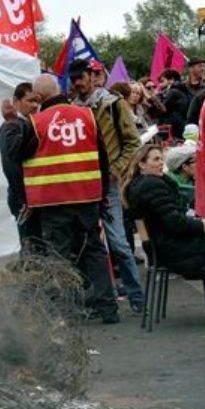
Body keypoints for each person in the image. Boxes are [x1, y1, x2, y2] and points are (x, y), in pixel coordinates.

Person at [18, 73, 120, 323]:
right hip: (87, 196)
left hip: (53, 201)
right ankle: (108, 309)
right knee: (95, 251)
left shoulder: (36, 122)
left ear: (39, 96)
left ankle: (68, 312)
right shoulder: (87, 116)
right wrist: (103, 194)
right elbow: (103, 157)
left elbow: (20, 155)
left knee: (59, 257)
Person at [69, 59, 145, 313]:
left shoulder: (113, 103)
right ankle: (103, 300)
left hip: (108, 183)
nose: (78, 83)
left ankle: (137, 298)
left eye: (81, 77)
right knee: (90, 246)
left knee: (119, 245)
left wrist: (115, 170)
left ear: (92, 76)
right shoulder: (71, 108)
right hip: (84, 186)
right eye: (74, 79)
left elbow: (133, 142)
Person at [123, 144, 205, 279]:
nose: (161, 162)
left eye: (161, 159)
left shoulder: (138, 185)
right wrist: (203, 225)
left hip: (162, 249)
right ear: (141, 164)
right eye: (156, 159)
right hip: (177, 251)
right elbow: (176, 223)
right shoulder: (152, 186)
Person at [0, 82, 42, 247]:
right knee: (32, 247)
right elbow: (11, 164)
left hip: (31, 196)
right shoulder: (14, 125)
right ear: (16, 102)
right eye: (30, 101)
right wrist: (24, 198)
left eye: (37, 101)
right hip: (24, 198)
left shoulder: (29, 124)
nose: (35, 106)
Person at [157, 69, 192, 139]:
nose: (160, 85)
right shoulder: (183, 90)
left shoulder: (173, 92)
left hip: (173, 129)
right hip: (181, 127)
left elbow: (162, 109)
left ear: (171, 80)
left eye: (162, 81)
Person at [184, 58, 205, 125]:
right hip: (187, 129)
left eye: (204, 66)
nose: (203, 69)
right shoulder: (181, 88)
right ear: (191, 69)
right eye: (200, 66)